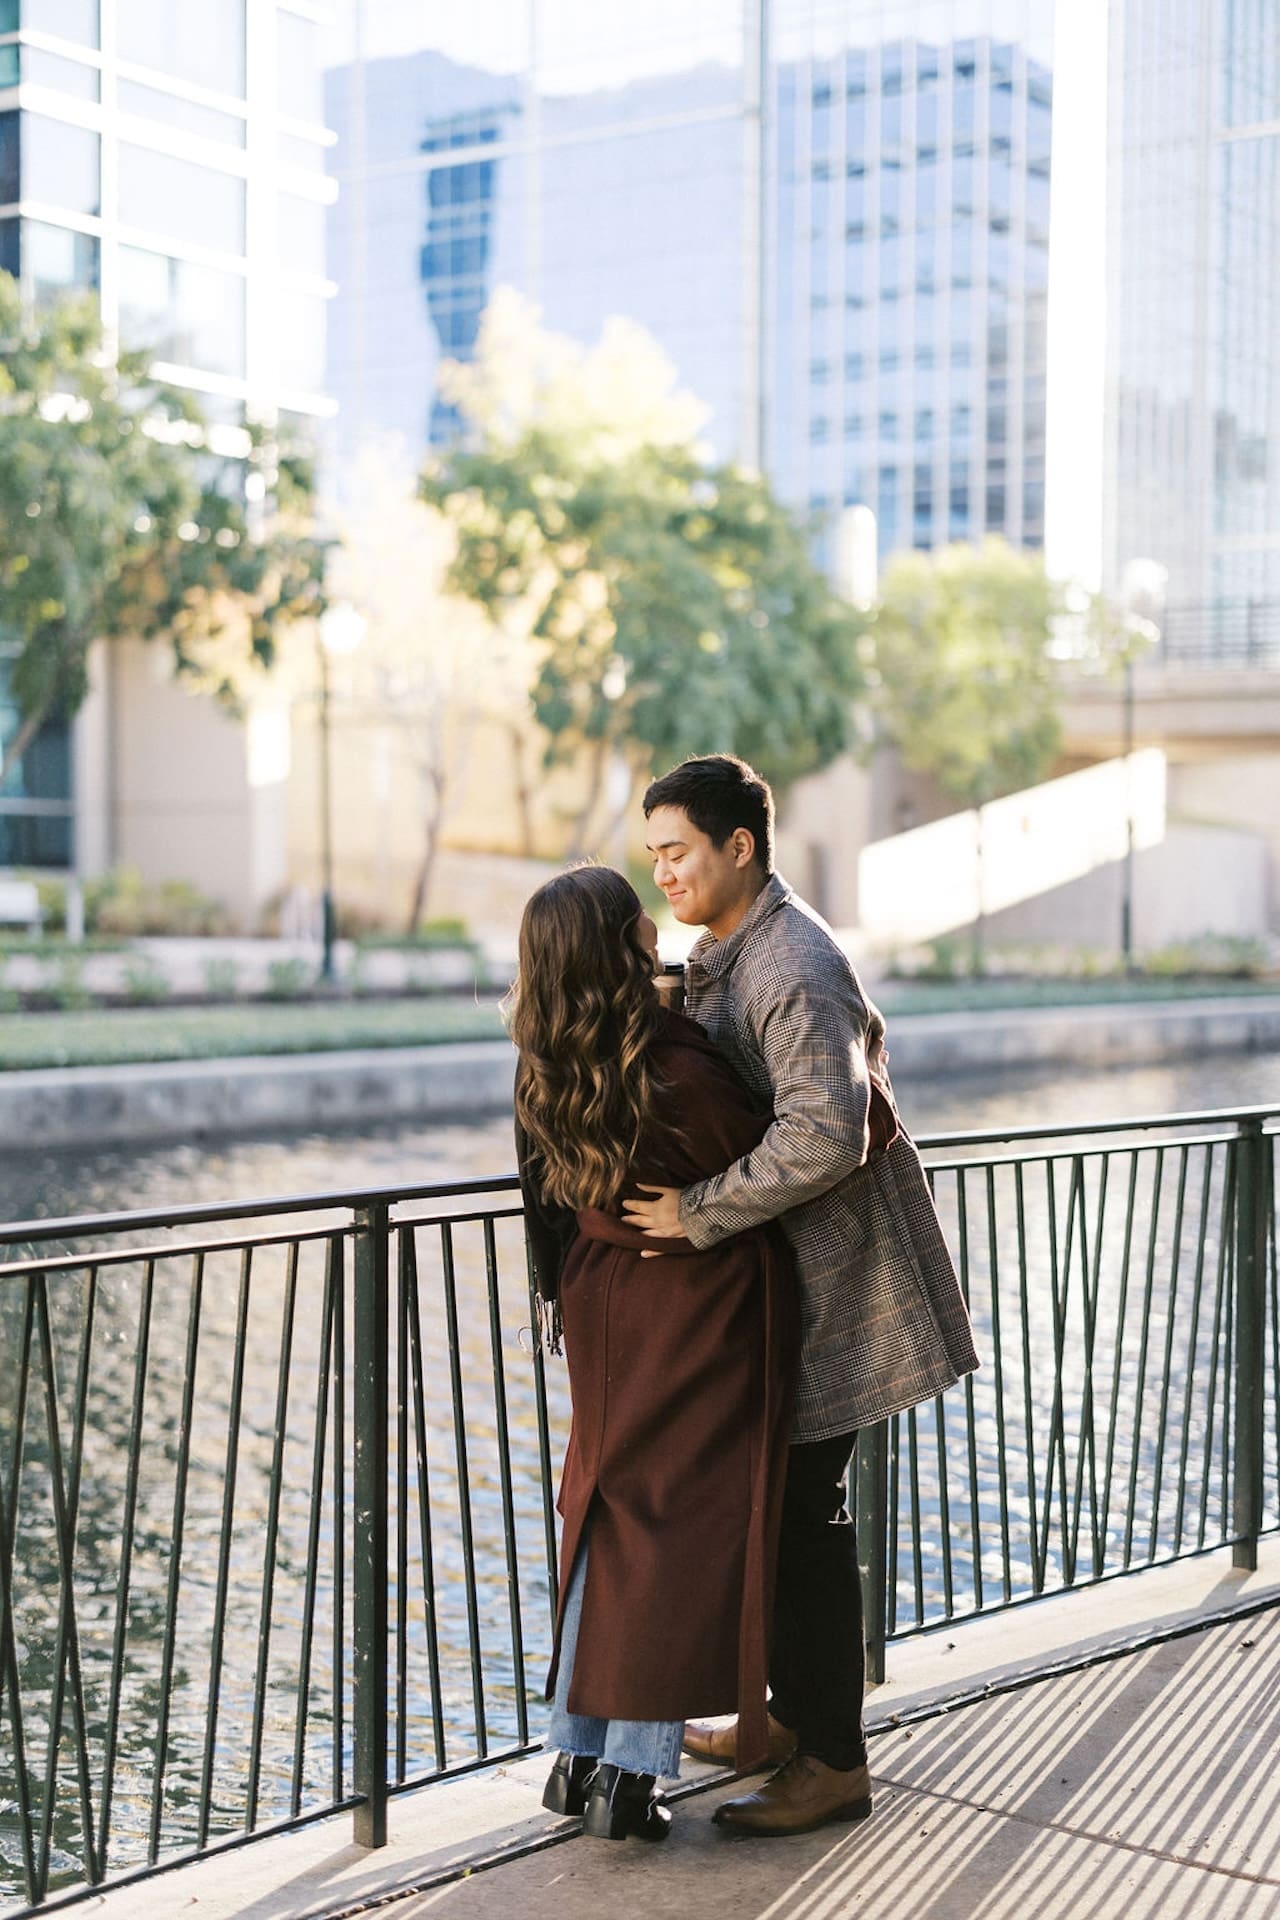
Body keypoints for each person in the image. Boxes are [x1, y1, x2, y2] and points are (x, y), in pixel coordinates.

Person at [624, 753, 979, 1838]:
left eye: (677, 852)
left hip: (840, 1281)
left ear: (739, 847)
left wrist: (695, 1214)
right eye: (652, 857)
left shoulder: (793, 964)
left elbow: (823, 1131)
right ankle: (774, 1720)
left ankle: (828, 1760)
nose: (663, 875)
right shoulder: (733, 947)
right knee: (772, 1512)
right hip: (792, 1285)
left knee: (798, 1521)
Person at [511, 864, 799, 1843]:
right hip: (689, 1307)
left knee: (604, 1513)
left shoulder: (544, 1062)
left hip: (600, 1301)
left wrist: (557, 1290)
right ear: (616, 950)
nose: (656, 931)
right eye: (640, 930)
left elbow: (543, 1204)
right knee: (676, 1537)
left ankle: (576, 1750)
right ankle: (632, 1777)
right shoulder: (670, 1069)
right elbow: (775, 1150)